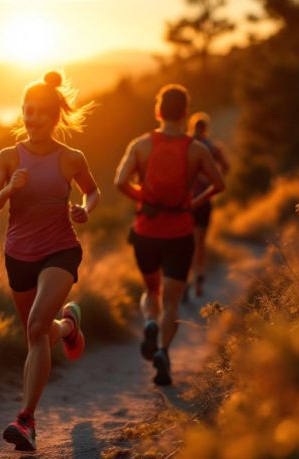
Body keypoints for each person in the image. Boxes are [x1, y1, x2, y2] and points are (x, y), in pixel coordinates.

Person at [0, 71, 99, 451]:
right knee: (40, 334)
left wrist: (84, 208)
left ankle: (26, 419)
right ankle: (68, 327)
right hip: (18, 255)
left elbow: (93, 192)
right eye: (27, 112)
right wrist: (7, 188)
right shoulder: (7, 156)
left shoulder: (71, 158)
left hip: (60, 250)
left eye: (41, 114)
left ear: (55, 117)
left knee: (34, 328)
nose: (32, 119)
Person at [113, 84, 224, 386]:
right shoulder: (197, 149)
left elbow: (119, 181)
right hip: (180, 232)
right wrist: (192, 202)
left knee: (151, 292)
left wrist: (143, 198)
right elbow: (219, 183)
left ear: (158, 110)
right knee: (172, 301)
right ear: (185, 112)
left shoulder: (140, 145)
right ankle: (162, 351)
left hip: (146, 232)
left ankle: (150, 321)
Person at [186, 112, 230, 299]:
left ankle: (186, 282)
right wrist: (213, 179)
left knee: (187, 244)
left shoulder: (186, 145)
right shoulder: (213, 147)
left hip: (186, 201)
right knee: (200, 243)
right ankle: (198, 279)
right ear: (206, 129)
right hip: (204, 200)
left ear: (192, 127)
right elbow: (226, 167)